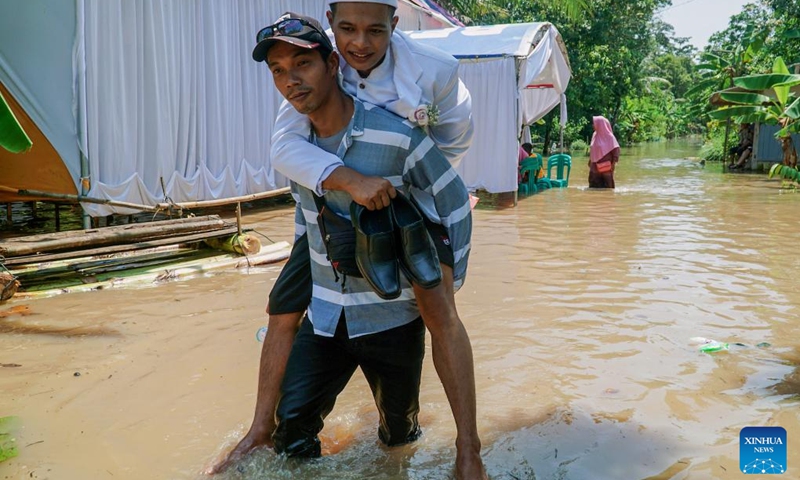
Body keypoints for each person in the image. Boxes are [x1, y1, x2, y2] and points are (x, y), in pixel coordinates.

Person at [209, 9, 487, 479]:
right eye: (278, 70)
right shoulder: (293, 139)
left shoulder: (399, 132)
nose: (291, 81)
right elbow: (303, 211)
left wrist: (443, 277)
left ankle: (468, 453)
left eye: (303, 65)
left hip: (391, 313)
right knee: (290, 435)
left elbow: (453, 200)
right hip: (327, 311)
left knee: (398, 439)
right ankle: (261, 430)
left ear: (332, 64)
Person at [588, 116, 620, 188]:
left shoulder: (610, 137)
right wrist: (590, 160)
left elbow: (616, 150)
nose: (593, 125)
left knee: (608, 188)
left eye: (595, 123)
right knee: (593, 187)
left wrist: (613, 164)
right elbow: (593, 149)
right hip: (594, 167)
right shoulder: (594, 135)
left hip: (606, 168)